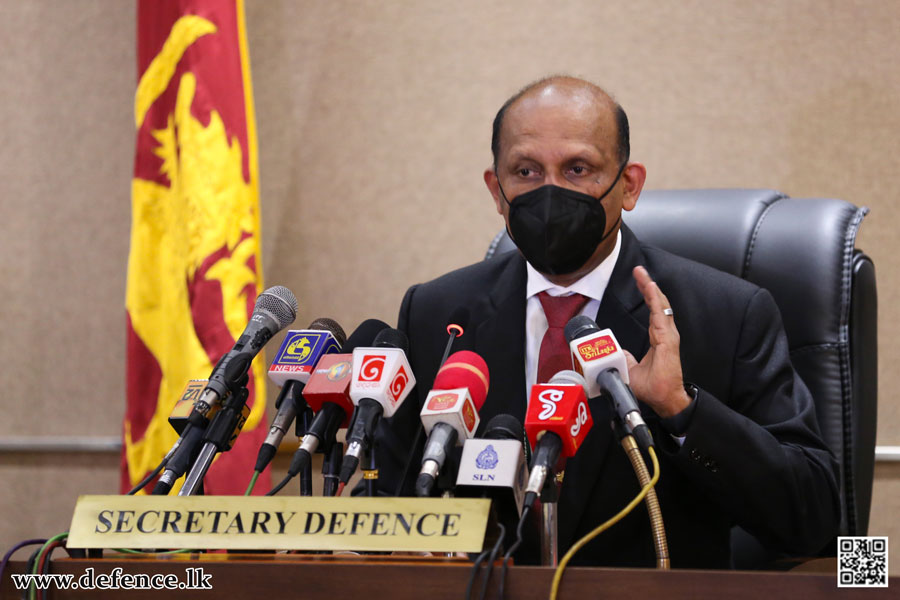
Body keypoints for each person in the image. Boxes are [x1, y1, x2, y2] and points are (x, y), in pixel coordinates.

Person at [373, 75, 840, 568]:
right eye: (526, 171)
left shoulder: (728, 313)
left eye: (578, 169)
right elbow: (391, 503)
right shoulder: (438, 313)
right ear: (496, 189)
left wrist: (681, 409)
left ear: (629, 185)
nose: (550, 194)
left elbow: (814, 519)